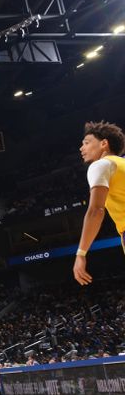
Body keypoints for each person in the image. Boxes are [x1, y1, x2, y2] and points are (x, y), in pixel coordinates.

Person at [73, 121, 125, 285]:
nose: (82, 148)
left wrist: (81, 253)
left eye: (87, 143)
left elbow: (96, 210)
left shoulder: (101, 165)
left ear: (104, 143)